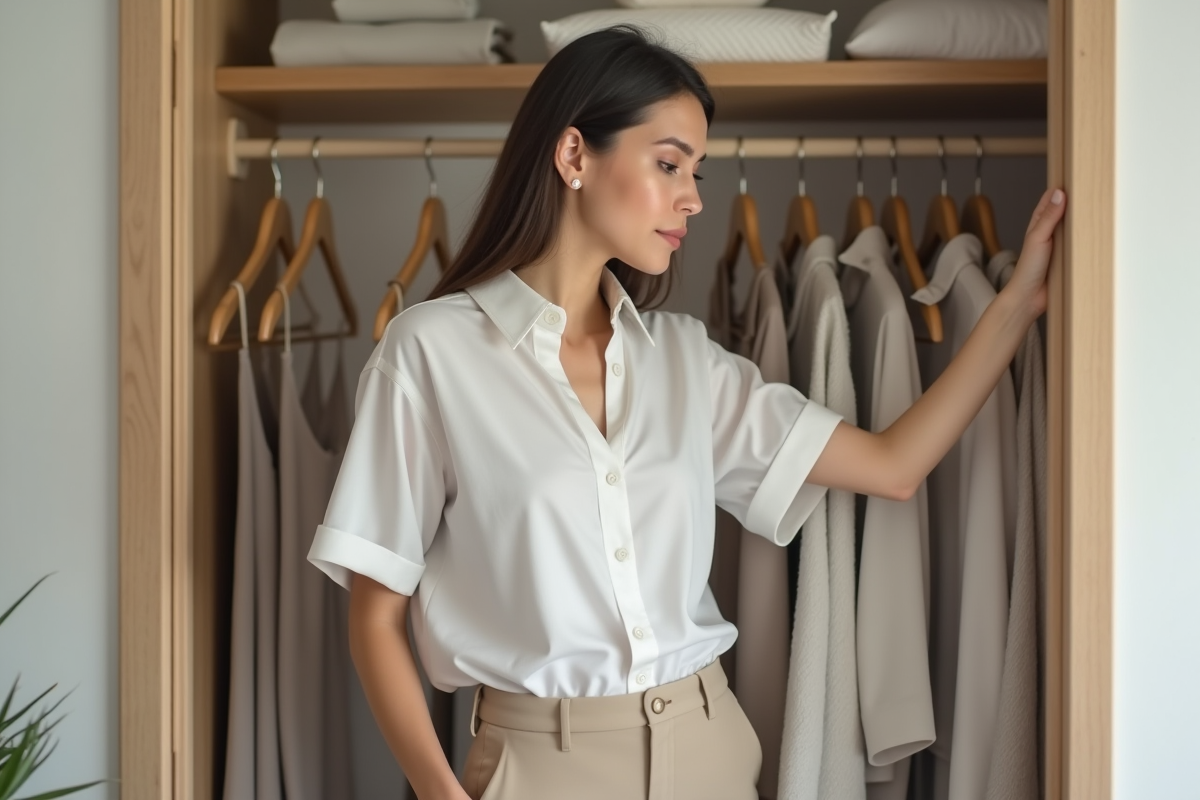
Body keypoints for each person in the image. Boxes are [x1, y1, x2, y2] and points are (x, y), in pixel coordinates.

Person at [306, 24, 1067, 800]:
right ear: (574, 156)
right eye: (669, 164)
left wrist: (1015, 307)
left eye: (696, 171)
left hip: (707, 747)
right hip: (538, 765)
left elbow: (894, 466)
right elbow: (375, 616)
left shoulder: (684, 360)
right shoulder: (431, 352)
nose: (694, 197)